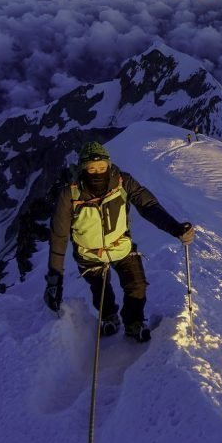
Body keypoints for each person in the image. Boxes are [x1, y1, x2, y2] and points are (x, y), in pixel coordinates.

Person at [43, 141, 194, 342]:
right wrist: (55, 279)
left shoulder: (123, 182)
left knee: (136, 285)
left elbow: (147, 205)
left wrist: (174, 228)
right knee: (101, 290)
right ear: (82, 169)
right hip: (89, 254)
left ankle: (134, 322)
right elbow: (59, 236)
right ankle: (108, 317)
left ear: (109, 165)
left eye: (102, 167)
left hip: (120, 246)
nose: (97, 172)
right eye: (91, 168)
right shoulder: (69, 194)